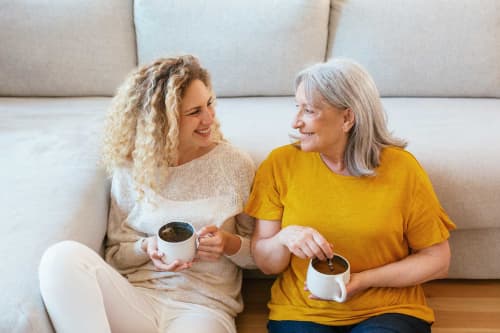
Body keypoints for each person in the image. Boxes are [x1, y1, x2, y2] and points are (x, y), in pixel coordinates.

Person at [38, 55, 256, 333]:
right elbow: (115, 255)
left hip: (202, 307)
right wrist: (146, 247)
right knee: (60, 257)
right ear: (163, 121)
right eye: (194, 112)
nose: (209, 118)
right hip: (136, 299)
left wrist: (229, 243)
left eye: (210, 104)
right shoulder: (131, 169)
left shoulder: (235, 164)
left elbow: (257, 257)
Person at [245, 58, 456, 333]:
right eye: (297, 107)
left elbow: (437, 260)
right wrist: (285, 238)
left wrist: (363, 280)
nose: (296, 122)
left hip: (387, 309)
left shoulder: (402, 170)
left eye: (309, 110)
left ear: (347, 118)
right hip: (303, 312)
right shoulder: (280, 164)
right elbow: (266, 263)